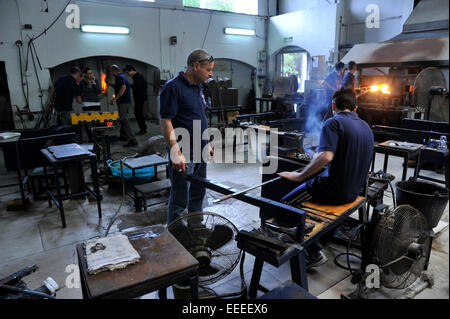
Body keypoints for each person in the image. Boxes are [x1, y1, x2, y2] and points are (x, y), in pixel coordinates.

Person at [277, 88, 374, 267]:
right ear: (355, 108)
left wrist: (299, 175)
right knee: (312, 185)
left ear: (333, 105)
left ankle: (313, 252)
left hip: (335, 190)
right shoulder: (365, 126)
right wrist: (319, 155)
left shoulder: (333, 122)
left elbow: (327, 157)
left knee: (284, 204)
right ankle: (319, 238)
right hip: (355, 191)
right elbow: (337, 154)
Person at [160, 49, 215, 226]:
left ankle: (196, 227)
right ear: (196, 66)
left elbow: (198, 117)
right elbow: (166, 121)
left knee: (198, 193)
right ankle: (176, 233)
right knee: (180, 198)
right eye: (208, 70)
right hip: (184, 152)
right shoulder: (173, 87)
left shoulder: (198, 87)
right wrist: (176, 152)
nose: (211, 74)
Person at [110, 64, 138, 147]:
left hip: (123, 102)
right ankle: (124, 136)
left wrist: (115, 98)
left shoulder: (119, 77)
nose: (111, 73)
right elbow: (119, 87)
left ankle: (133, 140)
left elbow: (123, 88)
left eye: (111, 71)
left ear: (114, 71)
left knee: (125, 121)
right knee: (123, 119)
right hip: (126, 101)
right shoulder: (122, 77)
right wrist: (109, 84)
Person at [124, 65, 148, 136]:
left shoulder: (138, 77)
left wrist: (130, 85)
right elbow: (142, 86)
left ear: (131, 70)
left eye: (128, 72)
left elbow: (140, 87)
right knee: (138, 113)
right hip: (139, 98)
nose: (128, 74)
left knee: (138, 113)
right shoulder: (137, 77)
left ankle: (143, 129)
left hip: (139, 98)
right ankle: (143, 128)